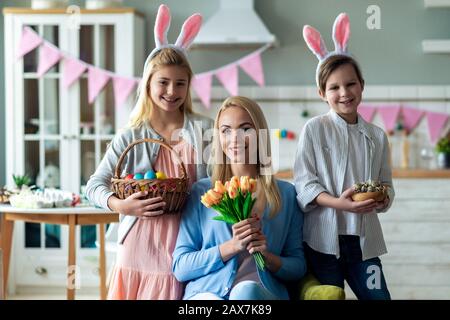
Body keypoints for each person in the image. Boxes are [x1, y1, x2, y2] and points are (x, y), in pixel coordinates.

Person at [85, 5, 213, 300]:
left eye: (180, 83)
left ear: (189, 86)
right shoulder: (131, 135)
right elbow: (94, 185)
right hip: (138, 244)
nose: (172, 90)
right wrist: (121, 206)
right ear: (148, 84)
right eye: (163, 82)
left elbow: (219, 182)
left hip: (185, 241)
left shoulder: (205, 130)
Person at [294, 13, 394, 300]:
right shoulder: (314, 129)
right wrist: (339, 203)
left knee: (380, 297)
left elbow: (385, 183)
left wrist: (385, 197)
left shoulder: (376, 136)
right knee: (331, 297)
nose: (344, 93)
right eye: (334, 87)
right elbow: (304, 184)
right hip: (323, 241)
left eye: (350, 84)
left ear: (362, 84)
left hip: (364, 242)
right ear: (322, 93)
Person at [172, 96, 306, 300]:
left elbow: (298, 267)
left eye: (245, 129)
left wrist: (267, 256)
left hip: (260, 294)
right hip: (207, 292)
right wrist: (232, 246)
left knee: (246, 292)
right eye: (226, 130)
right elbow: (180, 267)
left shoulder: (286, 194)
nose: (234, 138)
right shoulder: (202, 191)